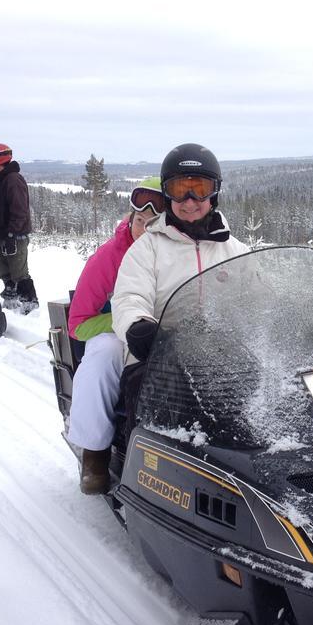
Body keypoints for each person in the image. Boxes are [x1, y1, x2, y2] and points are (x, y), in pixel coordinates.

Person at [110, 143, 250, 449]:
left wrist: (299, 313)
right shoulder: (147, 249)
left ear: (214, 193)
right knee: (161, 409)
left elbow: (261, 296)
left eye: (199, 188)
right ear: (167, 193)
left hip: (223, 355)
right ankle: (147, 474)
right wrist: (138, 326)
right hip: (158, 355)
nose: (190, 200)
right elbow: (129, 297)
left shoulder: (234, 251)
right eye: (179, 189)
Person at [66, 178, 165, 494]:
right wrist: (125, 320)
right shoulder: (108, 258)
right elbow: (78, 324)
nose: (144, 230)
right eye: (139, 221)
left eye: (154, 224)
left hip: (164, 334)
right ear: (131, 218)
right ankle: (94, 454)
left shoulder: (176, 253)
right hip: (117, 337)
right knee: (105, 355)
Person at [0, 142, 39, 314]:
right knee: (6, 274)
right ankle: (11, 305)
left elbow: (20, 210)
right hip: (0, 237)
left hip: (14, 237)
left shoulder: (13, 180)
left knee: (20, 274)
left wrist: (11, 234)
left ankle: (30, 306)